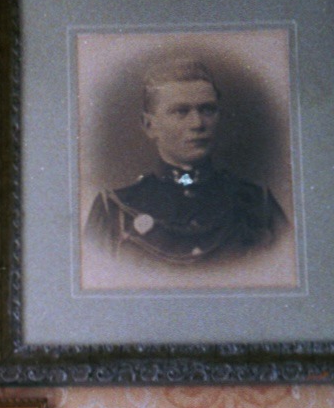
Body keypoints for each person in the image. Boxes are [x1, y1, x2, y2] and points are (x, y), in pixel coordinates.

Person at [84, 56, 285, 266]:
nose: (198, 123)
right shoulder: (115, 210)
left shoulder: (256, 204)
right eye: (181, 111)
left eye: (207, 110)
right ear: (149, 126)